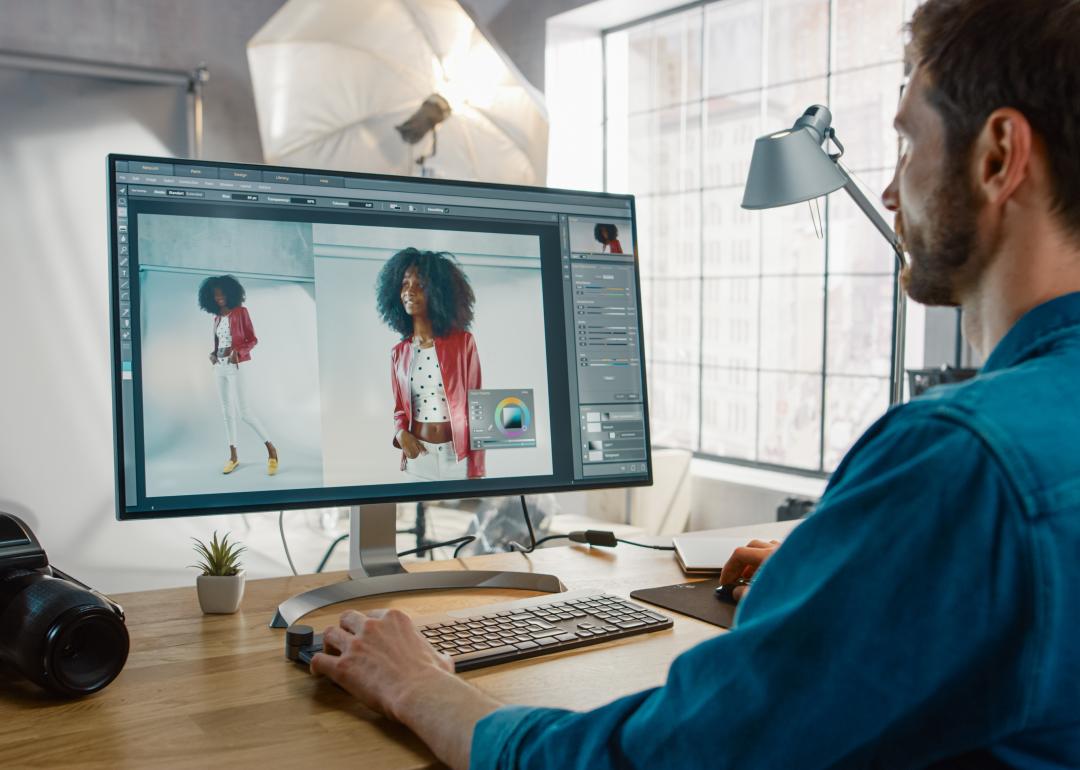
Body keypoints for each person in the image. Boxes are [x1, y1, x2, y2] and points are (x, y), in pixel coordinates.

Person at [309, 1, 1080, 766]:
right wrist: (853, 585)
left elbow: (662, 758)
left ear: (997, 156)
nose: (887, 191)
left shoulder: (963, 461)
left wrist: (421, 689)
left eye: (907, 142)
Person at [376, 248, 485, 480]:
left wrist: (477, 469)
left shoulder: (463, 343)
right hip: (418, 458)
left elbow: (478, 408)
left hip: (457, 458)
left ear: (439, 293)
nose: (409, 292)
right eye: (405, 284)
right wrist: (400, 434)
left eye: (420, 285)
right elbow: (399, 410)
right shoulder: (398, 353)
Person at [198, 275, 278, 476]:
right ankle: (233, 457)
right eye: (215, 295)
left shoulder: (241, 312)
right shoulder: (216, 318)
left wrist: (238, 353)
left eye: (222, 293)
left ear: (230, 292)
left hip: (237, 365)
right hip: (220, 367)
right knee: (227, 412)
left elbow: (253, 339)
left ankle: (272, 450)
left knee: (244, 412)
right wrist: (213, 354)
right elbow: (219, 343)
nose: (219, 297)